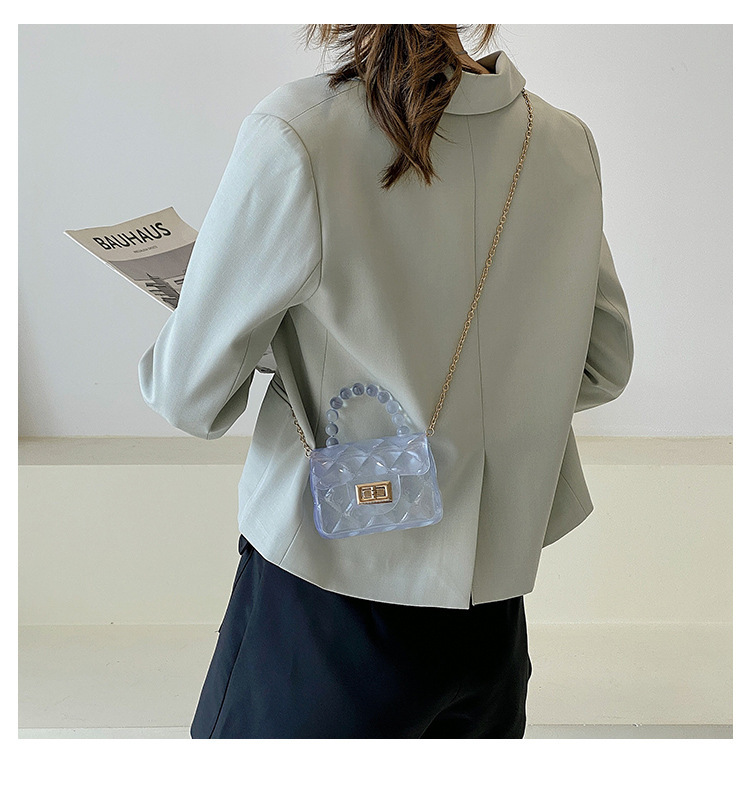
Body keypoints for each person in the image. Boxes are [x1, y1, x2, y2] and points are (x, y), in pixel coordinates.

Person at [138, 24, 634, 738]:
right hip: (491, 626)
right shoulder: (561, 142)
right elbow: (603, 364)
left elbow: (189, 396)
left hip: (326, 604)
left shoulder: (299, 133)